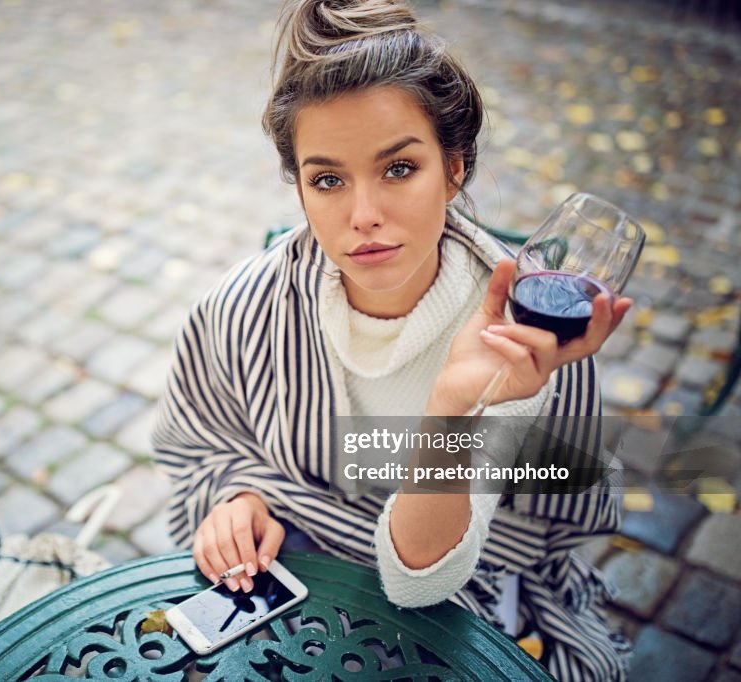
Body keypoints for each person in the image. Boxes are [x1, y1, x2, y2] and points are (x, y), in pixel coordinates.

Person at [152, 0, 632, 679]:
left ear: (454, 166)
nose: (364, 217)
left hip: (463, 609)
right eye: (328, 180)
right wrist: (237, 497)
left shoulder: (526, 341)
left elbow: (419, 584)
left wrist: (451, 407)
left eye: (399, 169)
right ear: (300, 189)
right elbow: (200, 448)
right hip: (296, 583)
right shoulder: (239, 308)